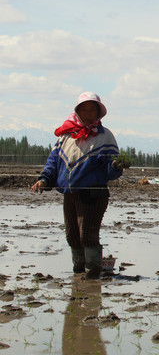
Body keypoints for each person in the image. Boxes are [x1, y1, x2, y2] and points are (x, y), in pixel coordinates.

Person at [31, 92, 129, 279]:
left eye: (92, 109)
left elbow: (111, 171)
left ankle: (92, 275)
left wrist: (116, 166)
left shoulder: (104, 136)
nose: (88, 113)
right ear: (78, 111)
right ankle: (78, 274)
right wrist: (44, 180)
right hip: (70, 194)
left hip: (94, 194)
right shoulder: (66, 136)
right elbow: (53, 163)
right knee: (72, 236)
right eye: (84, 109)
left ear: (98, 113)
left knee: (88, 235)